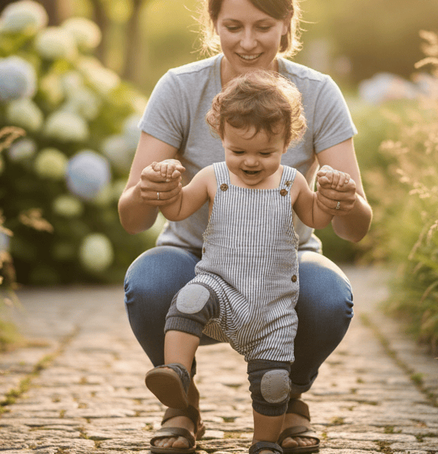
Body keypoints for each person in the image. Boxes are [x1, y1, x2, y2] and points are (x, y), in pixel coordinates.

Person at [118, 0, 372, 452]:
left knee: (330, 295)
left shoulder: (318, 92)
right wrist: (151, 190)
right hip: (196, 262)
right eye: (232, 26)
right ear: (213, 23)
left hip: (284, 262)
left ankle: (289, 400)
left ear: (286, 24)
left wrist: (342, 200)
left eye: (264, 26)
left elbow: (355, 229)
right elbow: (132, 218)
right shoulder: (180, 88)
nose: (248, 42)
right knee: (149, 278)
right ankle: (181, 403)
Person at [144, 70, 353, 454]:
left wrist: (330, 197)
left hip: (274, 304)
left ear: (286, 143)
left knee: (273, 383)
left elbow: (316, 217)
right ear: (221, 137)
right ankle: (176, 374)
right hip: (219, 286)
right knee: (189, 302)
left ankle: (265, 442)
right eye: (238, 151)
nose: (251, 162)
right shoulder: (213, 177)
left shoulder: (293, 182)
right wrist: (166, 188)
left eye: (265, 153)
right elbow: (176, 209)